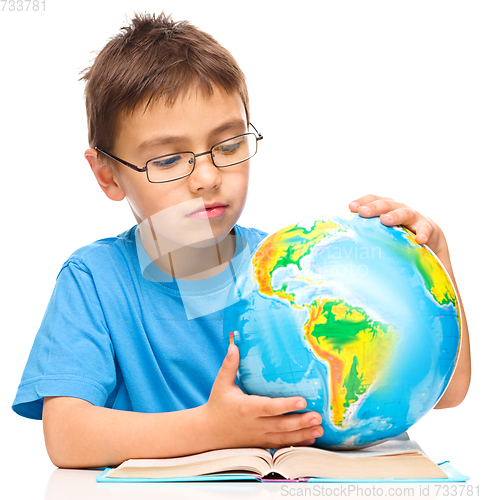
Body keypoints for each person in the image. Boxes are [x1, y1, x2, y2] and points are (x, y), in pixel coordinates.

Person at [12, 13, 470, 469]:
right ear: (107, 174)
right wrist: (210, 428)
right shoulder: (94, 280)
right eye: (170, 160)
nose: (208, 178)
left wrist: (435, 262)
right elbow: (66, 437)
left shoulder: (291, 274)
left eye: (228, 147)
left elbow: (447, 391)